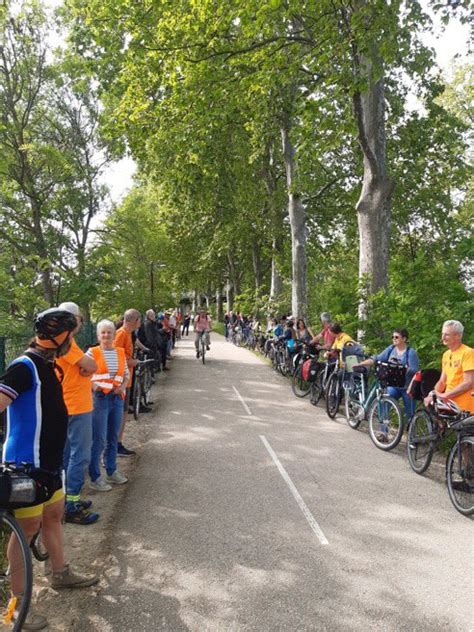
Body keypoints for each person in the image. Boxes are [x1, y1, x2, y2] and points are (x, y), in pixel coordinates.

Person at [0, 308, 98, 630]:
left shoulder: (50, 365)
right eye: (71, 336)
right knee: (26, 531)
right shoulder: (24, 366)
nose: (73, 342)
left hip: (49, 465)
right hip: (25, 466)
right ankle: (16, 605)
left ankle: (60, 573)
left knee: (54, 514)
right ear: (60, 336)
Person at [56, 302, 99, 525]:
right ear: (74, 320)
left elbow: (87, 365)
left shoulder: (57, 340)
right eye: (80, 318)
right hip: (77, 406)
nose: (82, 322)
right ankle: (71, 505)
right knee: (79, 455)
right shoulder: (67, 341)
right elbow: (91, 365)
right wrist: (89, 367)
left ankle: (65, 501)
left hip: (66, 405)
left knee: (65, 456)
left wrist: (87, 366)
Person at [87, 320, 129, 490]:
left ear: (114, 335)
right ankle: (95, 477)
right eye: (103, 332)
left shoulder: (120, 352)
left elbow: (125, 374)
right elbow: (84, 374)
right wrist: (95, 386)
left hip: (117, 398)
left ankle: (111, 471)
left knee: (113, 436)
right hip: (100, 399)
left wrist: (123, 387)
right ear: (98, 335)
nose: (106, 335)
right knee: (99, 438)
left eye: (109, 332)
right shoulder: (92, 352)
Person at [355, 328, 420, 420]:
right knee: (384, 404)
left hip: (407, 387)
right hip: (393, 385)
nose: (394, 339)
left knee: (410, 413)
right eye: (392, 337)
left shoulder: (410, 353)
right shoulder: (391, 349)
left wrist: (401, 368)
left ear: (404, 339)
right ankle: (383, 430)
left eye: (397, 337)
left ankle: (411, 431)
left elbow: (415, 370)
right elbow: (377, 358)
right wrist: (361, 364)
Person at [424, 320, 474, 413]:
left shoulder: (468, 353)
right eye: (442, 334)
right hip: (450, 405)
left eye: (446, 334)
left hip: (466, 408)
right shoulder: (446, 355)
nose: (443, 337)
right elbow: (442, 381)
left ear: (458, 336)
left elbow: (469, 382)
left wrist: (445, 395)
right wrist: (432, 394)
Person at [115, 309, 141, 457]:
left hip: (127, 380)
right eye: (139, 320)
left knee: (124, 413)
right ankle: (116, 444)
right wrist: (132, 362)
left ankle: (118, 443)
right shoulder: (121, 334)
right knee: (121, 414)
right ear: (134, 320)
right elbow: (114, 355)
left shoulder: (128, 333)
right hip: (121, 382)